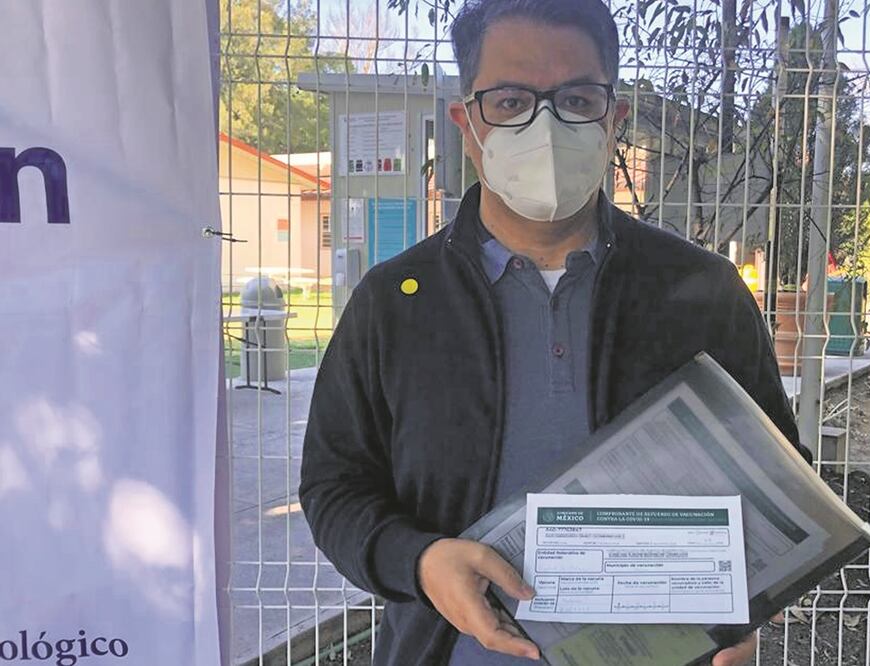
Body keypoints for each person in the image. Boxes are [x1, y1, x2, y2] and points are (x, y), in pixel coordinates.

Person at [299, 1, 809, 664]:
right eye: (509, 101)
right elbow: (334, 487)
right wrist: (420, 562)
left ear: (613, 119)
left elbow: (772, 486)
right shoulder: (395, 304)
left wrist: (745, 603)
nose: (544, 126)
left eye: (576, 98)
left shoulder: (701, 293)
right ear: (467, 123)